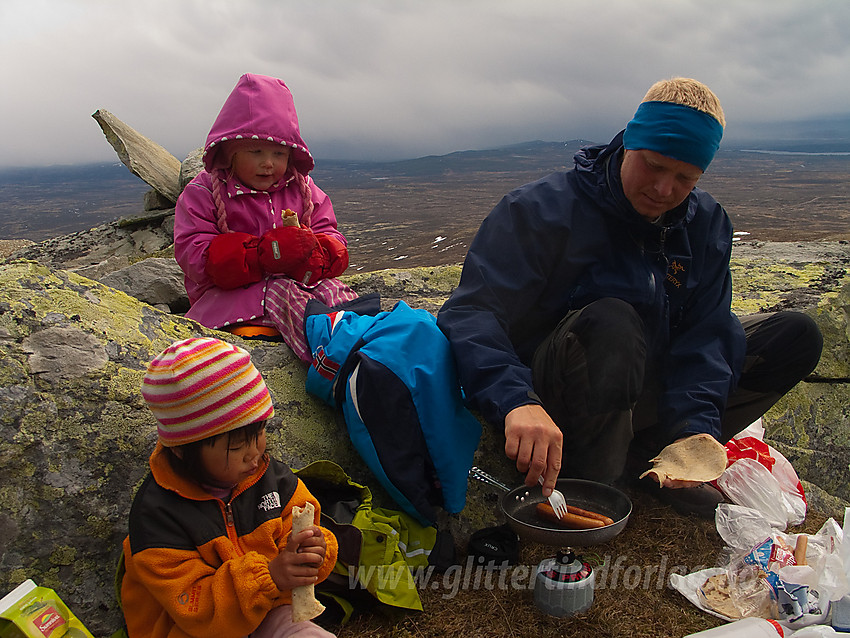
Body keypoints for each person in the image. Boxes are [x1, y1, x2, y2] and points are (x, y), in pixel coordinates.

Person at [437, 77, 823, 518]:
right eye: (654, 165)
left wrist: (695, 429)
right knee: (613, 321)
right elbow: (472, 313)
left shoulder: (706, 225)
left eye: (685, 177)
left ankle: (662, 460)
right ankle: (591, 481)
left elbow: (707, 333)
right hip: (553, 398)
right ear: (628, 144)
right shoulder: (541, 210)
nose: (664, 189)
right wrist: (516, 400)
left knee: (795, 335)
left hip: (642, 388)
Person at [121, 337, 339, 637]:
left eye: (259, 431)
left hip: (268, 609)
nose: (254, 454)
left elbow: (303, 525)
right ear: (183, 449)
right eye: (236, 446)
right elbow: (194, 609)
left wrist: (315, 550)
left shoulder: (270, 479)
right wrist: (271, 576)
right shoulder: (157, 516)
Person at [175, 73, 357, 363]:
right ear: (230, 150)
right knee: (284, 292)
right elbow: (193, 254)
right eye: (255, 151)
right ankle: (331, 357)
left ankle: (357, 335)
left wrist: (317, 253)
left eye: (278, 152)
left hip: (301, 285)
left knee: (335, 292)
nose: (268, 162)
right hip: (229, 296)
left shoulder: (303, 189)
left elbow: (332, 237)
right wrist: (263, 255)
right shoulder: (202, 191)